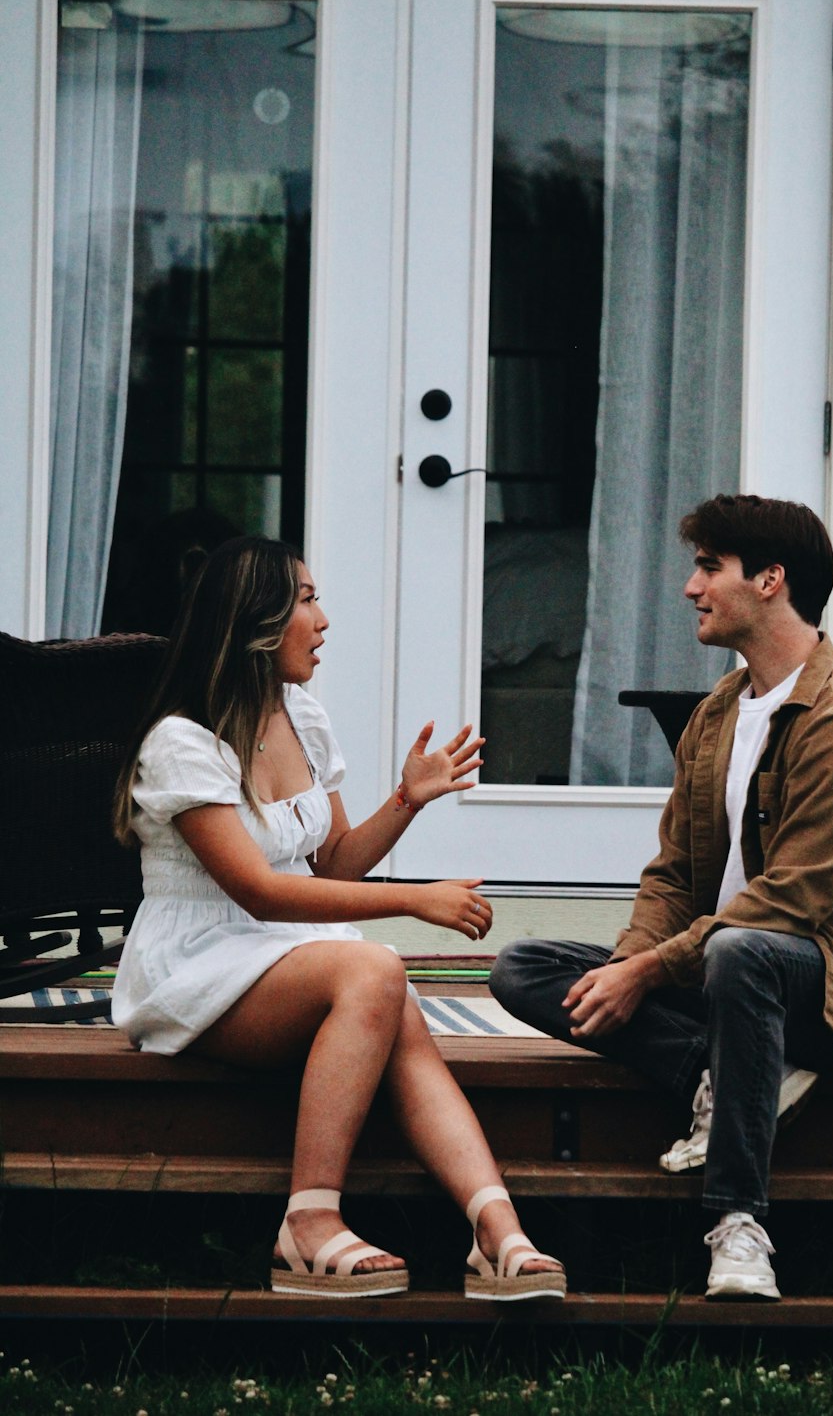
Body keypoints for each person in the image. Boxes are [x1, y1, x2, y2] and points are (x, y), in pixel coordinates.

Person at [490, 493, 833, 1301]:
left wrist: (651, 972)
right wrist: (628, 966)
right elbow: (673, 876)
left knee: (741, 947)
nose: (692, 588)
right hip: (726, 978)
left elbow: (792, 902)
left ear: (770, 580)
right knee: (523, 967)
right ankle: (722, 1074)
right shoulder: (720, 714)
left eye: (707, 568)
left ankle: (738, 1224)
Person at [111, 535, 565, 1303]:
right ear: (258, 620)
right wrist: (416, 897)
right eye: (308, 601)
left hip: (290, 952)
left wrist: (407, 800)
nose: (323, 621)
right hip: (200, 963)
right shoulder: (181, 744)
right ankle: (309, 1221)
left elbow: (334, 866)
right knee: (375, 967)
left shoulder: (300, 717)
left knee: (397, 1011)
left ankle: (499, 1232)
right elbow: (259, 891)